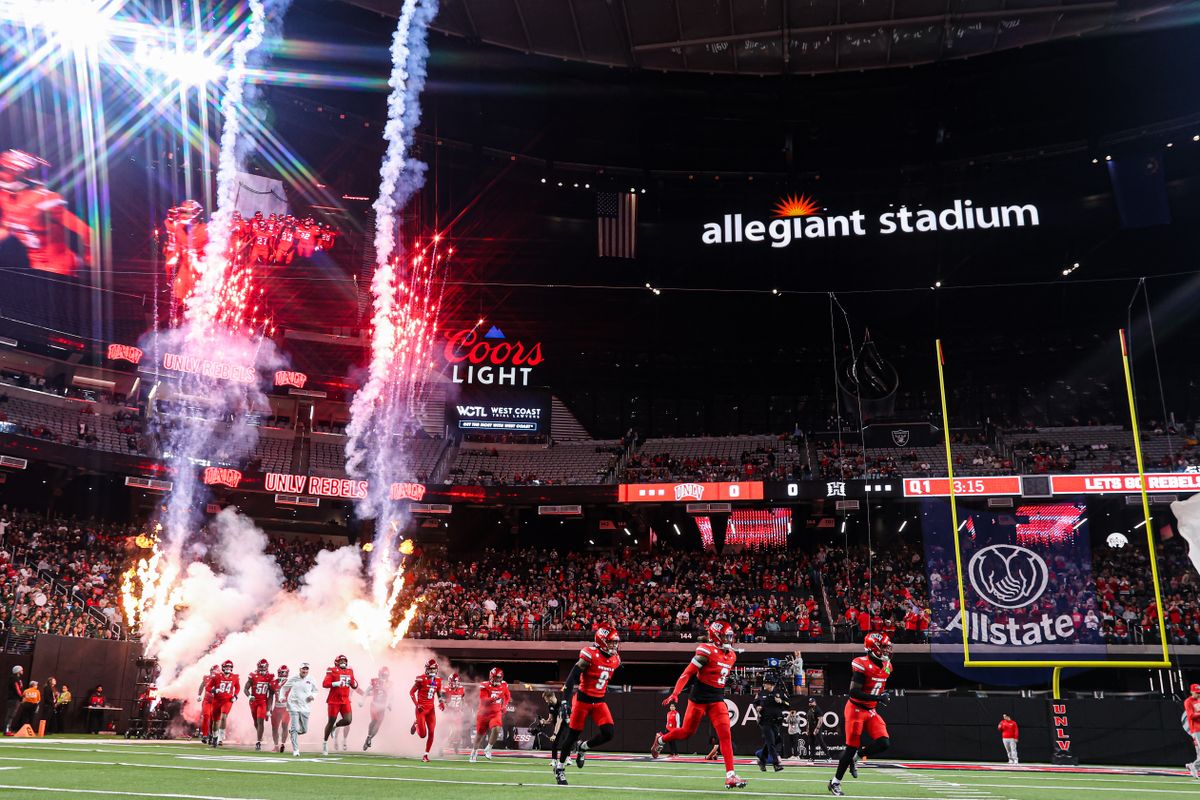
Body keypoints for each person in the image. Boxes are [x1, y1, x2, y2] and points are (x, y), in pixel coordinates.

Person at [651, 619, 747, 789]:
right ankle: (661, 739)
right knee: (686, 732)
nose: (729, 640)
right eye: (726, 636)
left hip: (716, 699)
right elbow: (687, 673)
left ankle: (730, 775)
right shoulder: (706, 652)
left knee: (725, 734)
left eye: (730, 636)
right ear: (716, 637)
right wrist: (675, 693)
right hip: (699, 700)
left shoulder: (732, 655)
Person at [551, 625, 621, 785]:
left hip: (599, 701)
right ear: (601, 641)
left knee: (609, 733)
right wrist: (564, 700)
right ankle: (560, 768)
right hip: (583, 700)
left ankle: (583, 747)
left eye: (615, 642)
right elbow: (571, 677)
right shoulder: (590, 655)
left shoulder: (616, 659)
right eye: (611, 642)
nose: (614, 646)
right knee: (572, 736)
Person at [828, 633, 893, 797]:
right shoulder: (861, 664)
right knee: (850, 748)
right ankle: (835, 782)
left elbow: (876, 685)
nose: (887, 649)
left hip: (870, 710)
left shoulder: (887, 665)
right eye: (883, 646)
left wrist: (880, 695)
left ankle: (857, 756)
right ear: (874, 648)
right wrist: (878, 697)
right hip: (856, 709)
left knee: (884, 743)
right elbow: (854, 692)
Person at [322, 654, 361, 755]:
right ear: (336, 662)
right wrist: (335, 683)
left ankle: (335, 726)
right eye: (341, 661)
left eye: (344, 660)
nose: (343, 662)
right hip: (334, 700)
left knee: (348, 720)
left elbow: (354, 684)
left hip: (345, 700)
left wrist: (355, 683)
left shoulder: (349, 671)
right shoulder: (331, 670)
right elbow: (325, 684)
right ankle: (325, 743)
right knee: (330, 721)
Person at [469, 668, 511, 763]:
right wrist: (494, 698)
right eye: (495, 677)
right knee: (479, 735)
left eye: (499, 678)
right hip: (483, 713)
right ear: (491, 677)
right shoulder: (485, 685)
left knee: (497, 728)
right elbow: (483, 700)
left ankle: (489, 748)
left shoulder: (504, 685)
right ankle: (474, 751)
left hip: (496, 713)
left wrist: (504, 706)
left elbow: (507, 696)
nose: (497, 680)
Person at [753, 672, 789, 772]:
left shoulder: (780, 693)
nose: (764, 685)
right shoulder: (761, 693)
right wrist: (757, 707)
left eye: (766, 683)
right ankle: (776, 764)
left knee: (770, 742)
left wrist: (781, 701)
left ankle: (762, 761)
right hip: (765, 722)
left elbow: (788, 704)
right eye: (764, 683)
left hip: (776, 722)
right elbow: (754, 703)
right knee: (771, 742)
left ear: (772, 684)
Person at [409, 660, 442, 761]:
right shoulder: (421, 679)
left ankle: (426, 755)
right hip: (421, 710)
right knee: (423, 735)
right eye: (430, 669)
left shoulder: (438, 680)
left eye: (433, 669)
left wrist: (441, 702)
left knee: (432, 732)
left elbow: (438, 693)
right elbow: (411, 692)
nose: (432, 671)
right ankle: (416, 724)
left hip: (431, 710)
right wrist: (417, 704)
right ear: (427, 669)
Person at [284, 663, 318, 757]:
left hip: (305, 707)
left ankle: (293, 732)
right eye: (303, 669)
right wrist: (282, 696)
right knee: (295, 727)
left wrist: (312, 696)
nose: (305, 671)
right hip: (293, 705)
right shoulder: (294, 678)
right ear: (300, 669)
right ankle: (296, 750)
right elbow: (284, 688)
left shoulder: (311, 679)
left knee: (304, 730)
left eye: (307, 669)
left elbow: (316, 690)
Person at [244, 659, 275, 751]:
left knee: (260, 721)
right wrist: (249, 696)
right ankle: (261, 736)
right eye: (261, 667)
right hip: (253, 701)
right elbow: (245, 689)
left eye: (264, 667)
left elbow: (271, 694)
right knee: (256, 723)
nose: (263, 669)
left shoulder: (270, 677)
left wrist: (269, 708)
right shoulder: (253, 676)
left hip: (263, 701)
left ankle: (258, 742)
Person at [207, 661, 240, 747]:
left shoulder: (235, 677)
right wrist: (214, 690)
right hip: (217, 701)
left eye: (229, 667)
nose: (228, 669)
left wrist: (235, 696)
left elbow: (238, 687)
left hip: (227, 700)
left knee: (224, 716)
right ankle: (214, 737)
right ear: (223, 668)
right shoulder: (217, 677)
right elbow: (208, 687)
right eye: (226, 667)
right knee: (215, 721)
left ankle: (220, 737)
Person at [362, 666, 391, 752]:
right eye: (383, 675)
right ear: (379, 674)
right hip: (374, 705)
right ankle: (369, 736)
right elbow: (367, 690)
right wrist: (362, 700)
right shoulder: (374, 681)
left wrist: (390, 703)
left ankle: (369, 738)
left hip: (382, 706)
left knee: (378, 725)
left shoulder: (390, 683)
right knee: (374, 720)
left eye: (386, 675)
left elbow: (391, 695)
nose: (384, 677)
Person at [442, 673, 467, 752]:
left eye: (455, 682)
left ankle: (455, 745)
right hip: (448, 712)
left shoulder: (461, 689)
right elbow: (441, 700)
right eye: (452, 682)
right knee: (448, 731)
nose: (453, 684)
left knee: (458, 731)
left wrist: (462, 708)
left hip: (457, 712)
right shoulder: (445, 689)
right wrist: (445, 706)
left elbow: (462, 699)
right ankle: (442, 746)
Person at [270, 665, 291, 753]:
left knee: (284, 726)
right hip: (276, 707)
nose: (282, 674)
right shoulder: (273, 683)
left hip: (286, 708)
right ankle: (276, 745)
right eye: (281, 672)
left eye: (284, 672)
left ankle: (283, 744)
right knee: (274, 728)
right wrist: (268, 709)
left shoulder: (290, 683)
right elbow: (270, 696)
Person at [196, 665, 219, 745]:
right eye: (213, 671)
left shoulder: (220, 678)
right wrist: (199, 695)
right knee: (206, 716)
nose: (213, 673)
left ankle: (212, 735)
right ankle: (205, 735)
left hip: (216, 701)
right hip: (207, 700)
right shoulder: (206, 678)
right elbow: (202, 685)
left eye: (215, 671)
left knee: (213, 720)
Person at [1185, 683, 1200, 779]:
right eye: (1197, 692)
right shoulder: (1188, 701)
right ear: (1191, 691)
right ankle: (1194, 766)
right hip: (1197, 730)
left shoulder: (1199, 699)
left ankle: (1193, 766)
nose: (1198, 694)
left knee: (1199, 753)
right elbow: (1190, 716)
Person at [4, 665, 24, 735]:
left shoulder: (17, 678)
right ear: (18, 671)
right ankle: (6, 730)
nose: (22, 671)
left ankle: (8, 729)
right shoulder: (14, 678)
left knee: (11, 715)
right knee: (10, 715)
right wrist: (22, 696)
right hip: (14, 699)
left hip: (15, 699)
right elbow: (17, 689)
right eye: (21, 670)